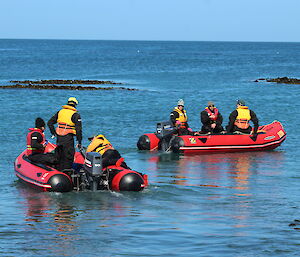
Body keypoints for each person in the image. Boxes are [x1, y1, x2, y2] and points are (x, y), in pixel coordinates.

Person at [47, 97, 82, 171]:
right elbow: (78, 129)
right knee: (68, 156)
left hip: (59, 138)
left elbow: (49, 123)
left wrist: (53, 133)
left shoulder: (60, 112)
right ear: (75, 105)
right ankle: (67, 173)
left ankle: (58, 171)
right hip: (68, 139)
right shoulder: (75, 115)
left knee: (60, 155)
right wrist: (79, 141)